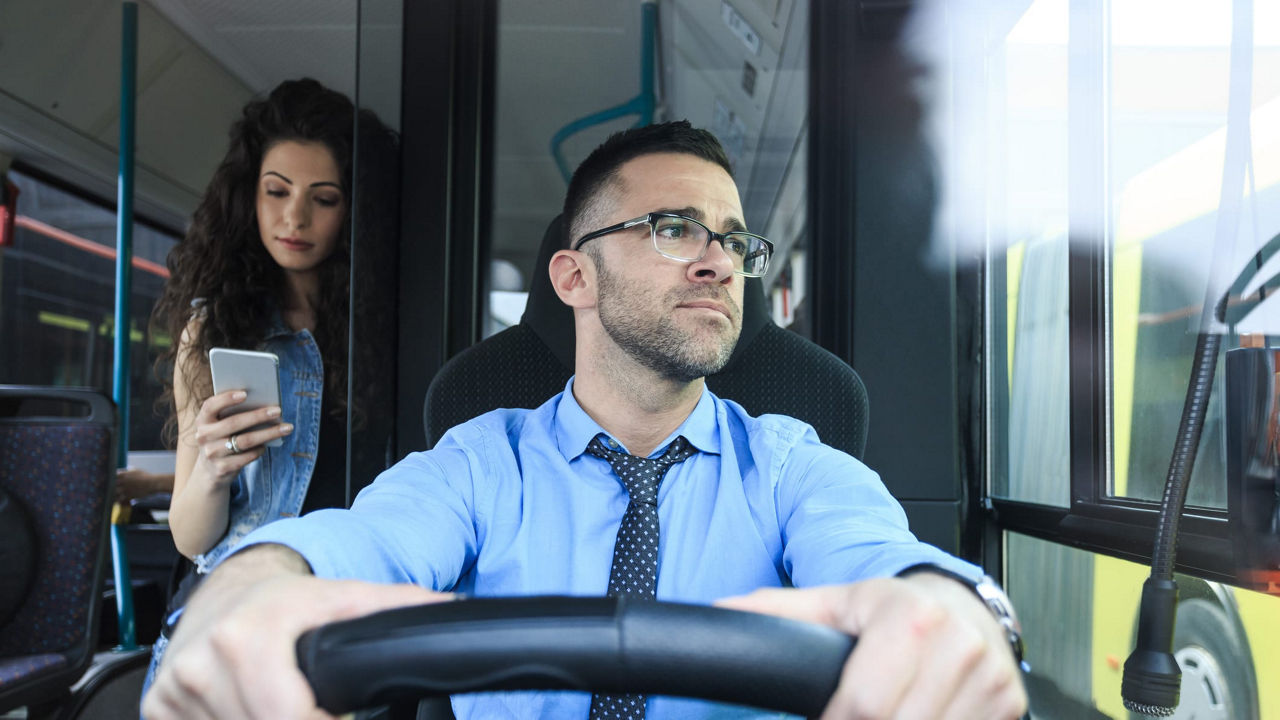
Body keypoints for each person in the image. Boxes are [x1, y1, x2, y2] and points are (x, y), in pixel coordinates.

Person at [141, 121, 1028, 720]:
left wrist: (951, 610)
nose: (720, 262)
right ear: (573, 279)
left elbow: (883, 552)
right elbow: (359, 538)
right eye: (676, 228)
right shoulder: (482, 460)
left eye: (732, 239)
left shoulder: (792, 463)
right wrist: (244, 589)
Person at [139, 78, 399, 700]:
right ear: (247, 197)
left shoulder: (396, 331)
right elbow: (191, 535)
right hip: (226, 609)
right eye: (276, 191)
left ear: (355, 210)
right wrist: (210, 470)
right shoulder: (214, 329)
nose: (294, 218)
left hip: (341, 620)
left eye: (324, 198)